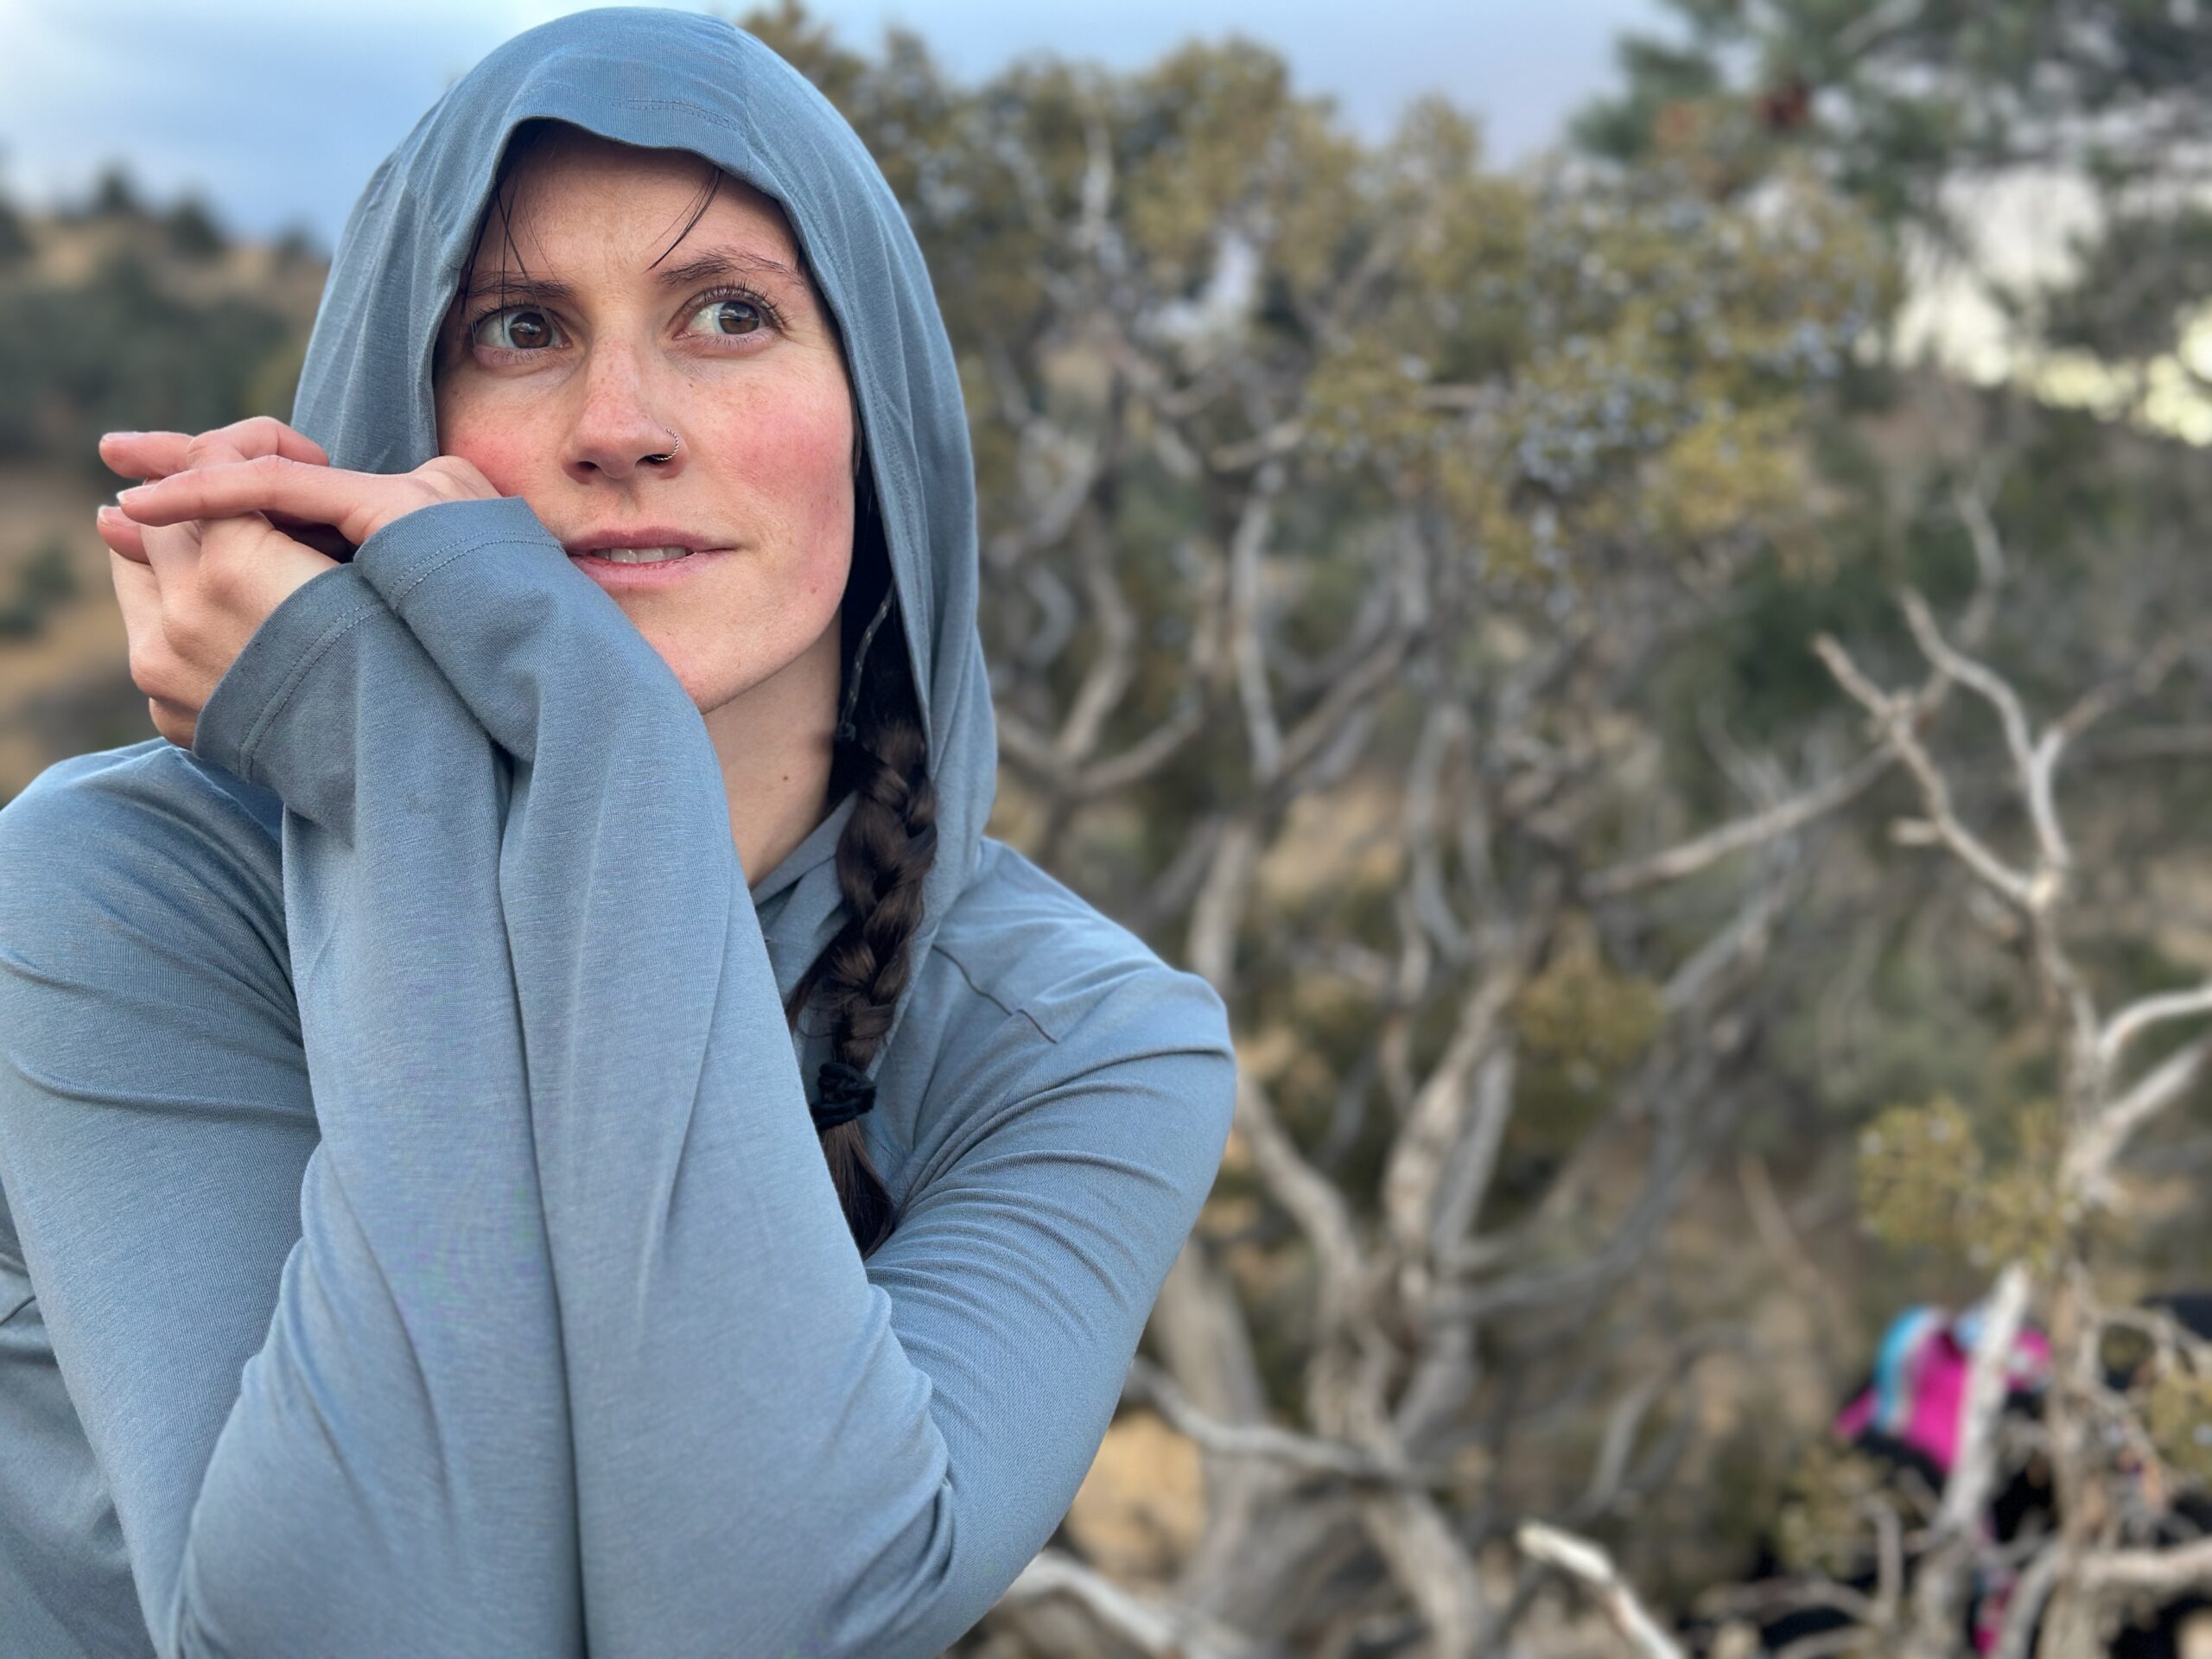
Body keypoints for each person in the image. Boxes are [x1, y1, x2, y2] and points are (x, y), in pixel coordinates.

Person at [0, 10, 1239, 1657]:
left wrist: (594, 764)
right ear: (396, 415)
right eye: (519, 328)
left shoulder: (1084, 1050)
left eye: (730, 315)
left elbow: (769, 1616)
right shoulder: (121, 899)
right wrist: (425, 769)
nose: (621, 423)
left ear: (884, 421)